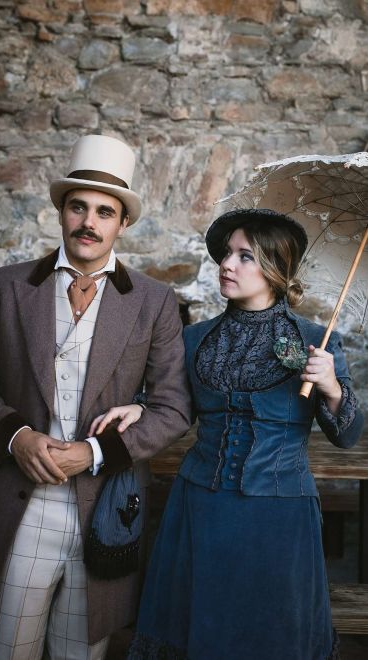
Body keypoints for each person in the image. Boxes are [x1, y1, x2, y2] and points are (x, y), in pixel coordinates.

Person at [0, 133, 191, 660]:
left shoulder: (153, 300)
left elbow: (174, 408)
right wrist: (16, 437)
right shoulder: (9, 285)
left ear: (122, 223)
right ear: (62, 212)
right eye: (78, 207)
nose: (89, 222)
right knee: (3, 650)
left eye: (105, 212)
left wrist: (95, 452)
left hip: (106, 510)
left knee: (80, 653)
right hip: (22, 503)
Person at [91, 208, 364, 660]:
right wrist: (139, 406)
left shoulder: (318, 341)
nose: (227, 264)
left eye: (244, 256)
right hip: (200, 505)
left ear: (274, 269)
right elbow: (174, 405)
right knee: (196, 630)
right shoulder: (195, 338)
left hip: (280, 516)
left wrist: (332, 388)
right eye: (226, 254)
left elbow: (349, 435)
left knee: (272, 636)